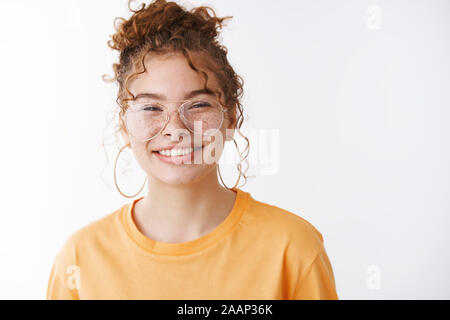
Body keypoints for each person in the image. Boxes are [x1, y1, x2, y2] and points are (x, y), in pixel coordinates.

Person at [46, 0, 339, 300]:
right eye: (151, 107)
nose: (176, 129)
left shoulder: (293, 250)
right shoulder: (79, 261)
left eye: (198, 104)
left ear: (231, 116)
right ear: (124, 126)